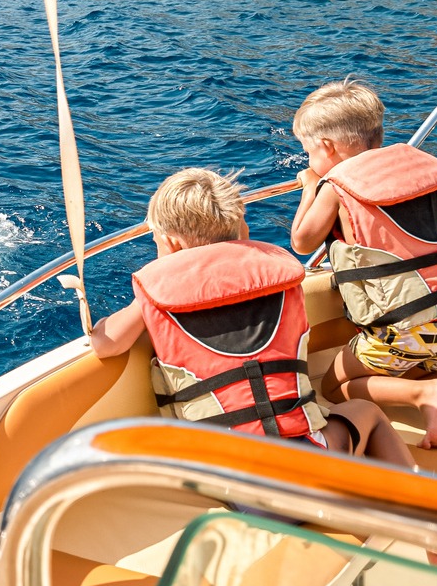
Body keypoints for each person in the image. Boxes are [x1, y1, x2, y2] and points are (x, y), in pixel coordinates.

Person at [91, 167, 414, 468]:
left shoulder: (154, 294)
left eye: (156, 240)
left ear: (172, 243)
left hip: (227, 474)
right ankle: (417, 508)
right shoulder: (283, 281)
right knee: (366, 413)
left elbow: (106, 343)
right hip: (311, 469)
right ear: (241, 227)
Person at [289, 78, 437, 449]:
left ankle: (427, 396)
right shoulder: (415, 173)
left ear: (326, 147)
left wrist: (311, 185)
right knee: (402, 363)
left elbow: (302, 241)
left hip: (400, 337)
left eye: (309, 153)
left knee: (333, 387)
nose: (311, 161)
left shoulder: (338, 185)